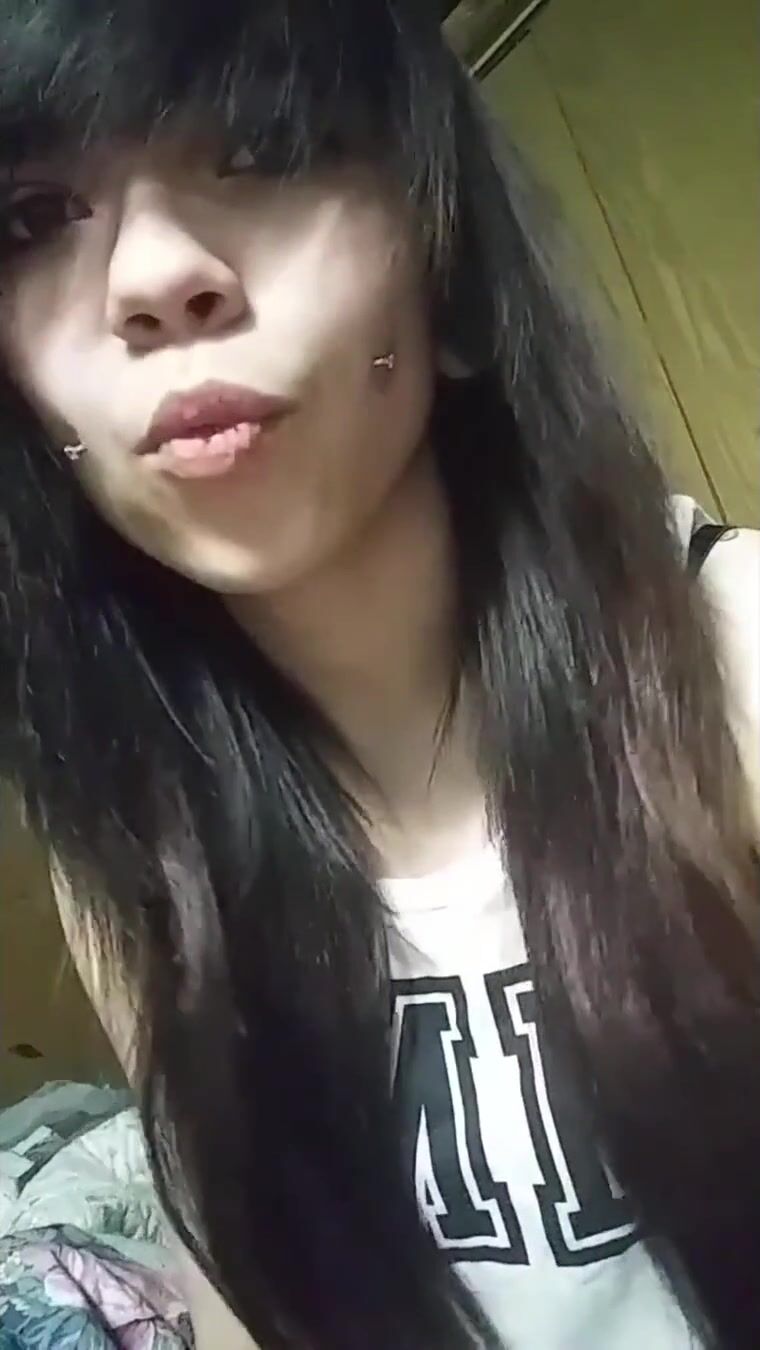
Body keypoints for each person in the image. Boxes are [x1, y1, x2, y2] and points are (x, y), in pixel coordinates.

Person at [0, 2, 758, 1347]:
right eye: (37, 215)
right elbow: (250, 1290)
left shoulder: (736, 651)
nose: (153, 275)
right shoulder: (127, 836)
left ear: (446, 273)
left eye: (264, 145)